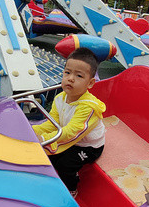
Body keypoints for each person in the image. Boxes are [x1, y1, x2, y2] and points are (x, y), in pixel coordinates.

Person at [33, 48, 106, 196]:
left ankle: (72, 189)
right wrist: (33, 131)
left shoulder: (88, 107)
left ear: (90, 83)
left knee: (65, 164)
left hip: (88, 146)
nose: (71, 78)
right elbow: (52, 123)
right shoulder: (60, 98)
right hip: (70, 138)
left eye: (79, 75)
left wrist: (45, 139)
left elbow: (72, 132)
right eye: (67, 72)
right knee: (50, 156)